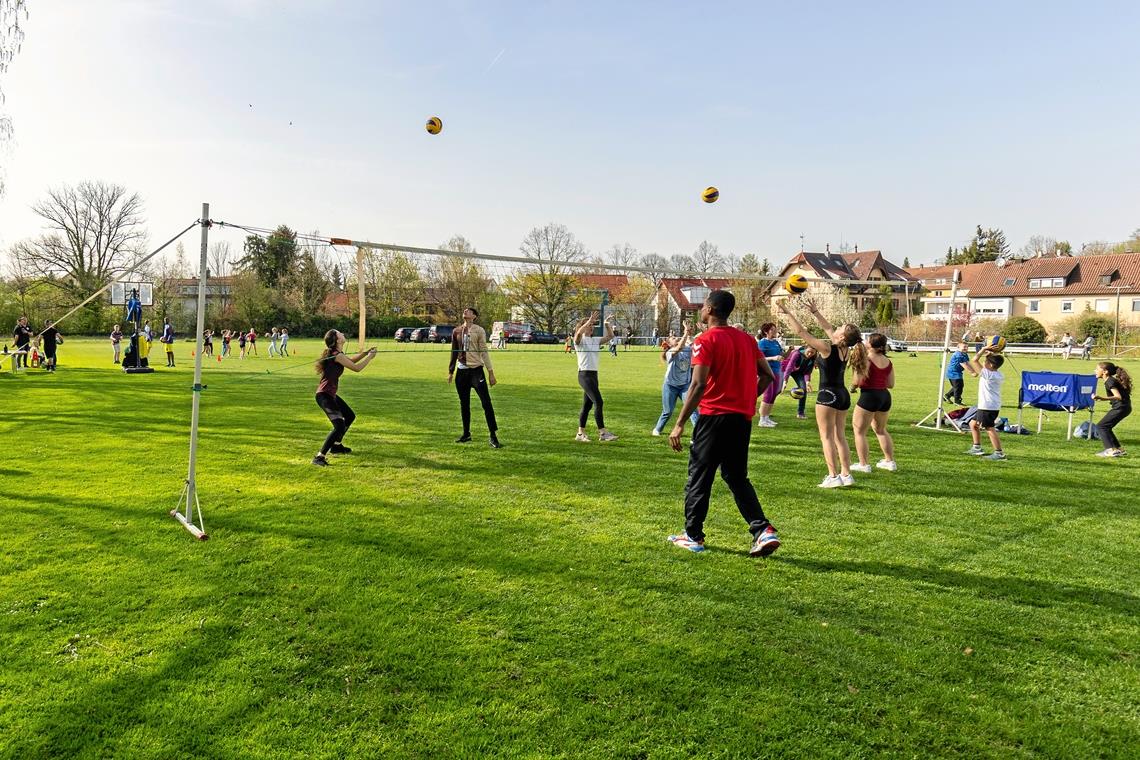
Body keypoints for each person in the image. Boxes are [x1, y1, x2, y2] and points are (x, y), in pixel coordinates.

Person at [666, 289, 780, 557]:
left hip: (714, 418)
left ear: (711, 310)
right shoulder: (747, 340)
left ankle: (693, 535)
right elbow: (767, 376)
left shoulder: (705, 341)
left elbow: (697, 383)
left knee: (699, 477)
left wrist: (680, 422)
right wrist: (746, 398)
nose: (701, 310)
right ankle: (763, 530)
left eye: (704, 306)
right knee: (736, 476)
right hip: (741, 419)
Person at [776, 297, 861, 488]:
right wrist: (814, 312)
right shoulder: (845, 349)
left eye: (841, 327)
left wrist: (787, 312)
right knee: (840, 436)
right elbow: (828, 328)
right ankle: (846, 475)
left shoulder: (827, 348)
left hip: (828, 395)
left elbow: (800, 332)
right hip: (842, 395)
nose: (837, 327)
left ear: (842, 337)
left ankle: (832, 477)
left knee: (827, 437)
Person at [311, 330, 377, 466]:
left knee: (349, 416)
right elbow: (356, 368)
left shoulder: (338, 354)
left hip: (330, 394)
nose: (342, 333)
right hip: (324, 395)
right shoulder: (336, 355)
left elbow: (351, 361)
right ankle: (319, 457)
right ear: (337, 339)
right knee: (339, 425)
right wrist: (370, 357)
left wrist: (365, 353)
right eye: (339, 333)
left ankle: (336, 446)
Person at [448, 306, 501, 448]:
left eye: (469, 311)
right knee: (464, 404)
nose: (465, 311)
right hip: (462, 372)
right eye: (464, 310)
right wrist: (451, 371)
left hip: (476, 371)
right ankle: (466, 434)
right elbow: (454, 352)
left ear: (474, 316)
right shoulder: (457, 331)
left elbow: (484, 351)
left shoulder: (479, 330)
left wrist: (490, 372)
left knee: (486, 403)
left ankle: (493, 436)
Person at [849, 333, 896, 472]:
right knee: (881, 430)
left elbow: (856, 381)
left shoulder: (866, 360)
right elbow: (891, 384)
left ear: (870, 344)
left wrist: (852, 387)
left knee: (859, 432)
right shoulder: (888, 361)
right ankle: (889, 461)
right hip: (884, 396)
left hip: (869, 396)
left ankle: (863, 464)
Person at [573, 312, 618, 442]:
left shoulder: (595, 340)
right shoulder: (579, 341)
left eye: (593, 325)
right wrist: (588, 321)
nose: (591, 326)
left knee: (587, 405)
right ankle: (603, 433)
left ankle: (580, 434)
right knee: (598, 402)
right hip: (584, 375)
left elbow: (610, 336)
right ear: (583, 326)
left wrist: (606, 324)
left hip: (594, 375)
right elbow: (578, 334)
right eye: (589, 325)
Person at [652, 321, 699, 436]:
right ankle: (657, 429)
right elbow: (679, 348)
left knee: (692, 409)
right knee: (667, 412)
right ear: (669, 344)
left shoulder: (688, 350)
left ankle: (699, 433)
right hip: (670, 385)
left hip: (685, 385)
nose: (675, 338)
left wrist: (692, 332)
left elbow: (696, 343)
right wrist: (685, 333)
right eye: (672, 338)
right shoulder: (670, 352)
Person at [963, 347, 1006, 460]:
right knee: (973, 424)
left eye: (986, 362)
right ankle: (977, 448)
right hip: (989, 405)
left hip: (987, 406)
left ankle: (999, 453)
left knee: (989, 428)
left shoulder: (988, 374)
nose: (984, 362)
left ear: (991, 365)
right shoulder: (998, 374)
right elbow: (983, 362)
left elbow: (974, 360)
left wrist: (983, 349)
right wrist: (991, 355)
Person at [1093, 362, 1131, 457]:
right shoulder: (1110, 380)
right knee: (1106, 427)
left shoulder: (1110, 381)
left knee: (1101, 426)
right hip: (1124, 407)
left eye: (1097, 369)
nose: (1095, 371)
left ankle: (1110, 450)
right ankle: (1119, 449)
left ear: (1105, 371)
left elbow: (1118, 396)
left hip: (1121, 407)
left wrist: (1102, 398)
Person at [756, 323, 785, 427]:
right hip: (767, 372)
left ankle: (767, 418)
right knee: (768, 394)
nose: (775, 331)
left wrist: (788, 351)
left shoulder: (776, 342)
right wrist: (773, 358)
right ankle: (762, 420)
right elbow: (758, 358)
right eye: (773, 329)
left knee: (774, 394)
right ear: (766, 332)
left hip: (777, 371)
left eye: (775, 329)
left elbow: (781, 355)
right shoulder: (762, 343)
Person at [781, 344, 817, 419]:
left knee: (803, 390)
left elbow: (807, 371)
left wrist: (807, 382)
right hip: (784, 369)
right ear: (805, 349)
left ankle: (800, 413)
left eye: (812, 353)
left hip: (798, 373)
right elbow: (789, 367)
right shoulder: (797, 354)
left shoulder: (813, 358)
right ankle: (766, 409)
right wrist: (785, 381)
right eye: (809, 352)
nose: (810, 354)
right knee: (777, 390)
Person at [943, 341, 974, 406]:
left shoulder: (964, 354)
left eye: (967, 347)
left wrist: (974, 370)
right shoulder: (958, 355)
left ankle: (947, 396)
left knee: (958, 386)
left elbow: (968, 363)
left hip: (958, 373)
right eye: (964, 347)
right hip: (953, 373)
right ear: (958, 347)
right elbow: (964, 365)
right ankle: (957, 401)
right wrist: (972, 372)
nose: (966, 348)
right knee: (958, 387)